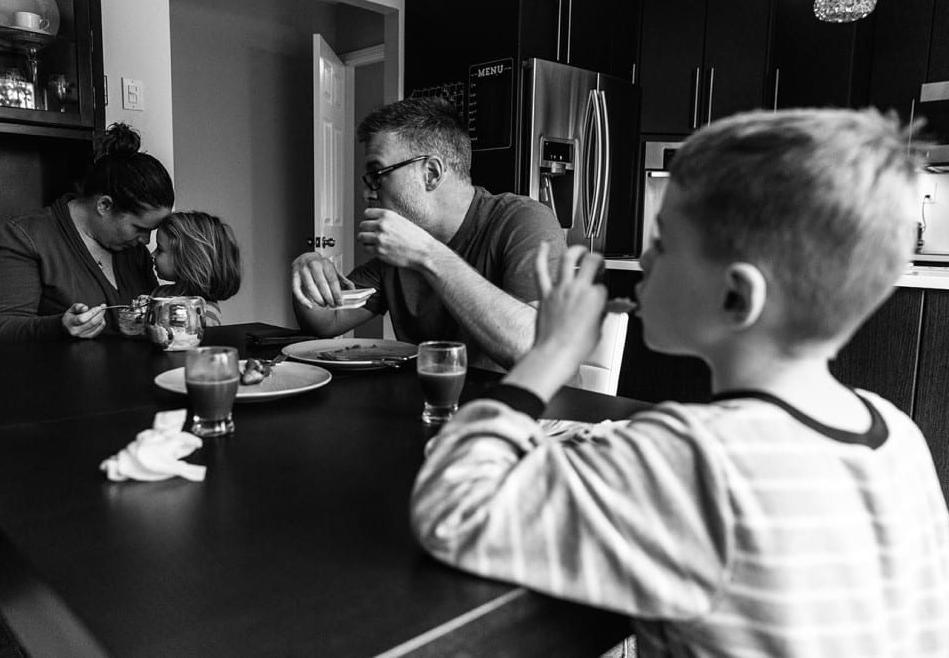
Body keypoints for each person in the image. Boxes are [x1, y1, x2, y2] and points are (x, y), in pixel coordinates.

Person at [410, 109, 949, 656]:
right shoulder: (900, 436)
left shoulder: (694, 458)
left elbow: (451, 508)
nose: (643, 259)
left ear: (737, 297)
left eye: (663, 243)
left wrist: (548, 356)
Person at [291, 97, 567, 370]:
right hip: (433, 408)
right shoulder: (397, 253)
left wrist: (426, 254)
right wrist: (308, 278)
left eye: (378, 174)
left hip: (532, 410)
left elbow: (537, 351)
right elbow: (327, 322)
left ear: (431, 173)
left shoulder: (523, 221)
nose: (367, 192)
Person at [0, 123, 174, 343]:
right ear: (105, 206)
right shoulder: (21, 238)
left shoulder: (133, 250)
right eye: (139, 228)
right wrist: (59, 326)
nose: (146, 241)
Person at [150, 211, 242, 326]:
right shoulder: (159, 293)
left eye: (160, 249)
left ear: (186, 259)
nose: (152, 254)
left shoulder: (205, 311)